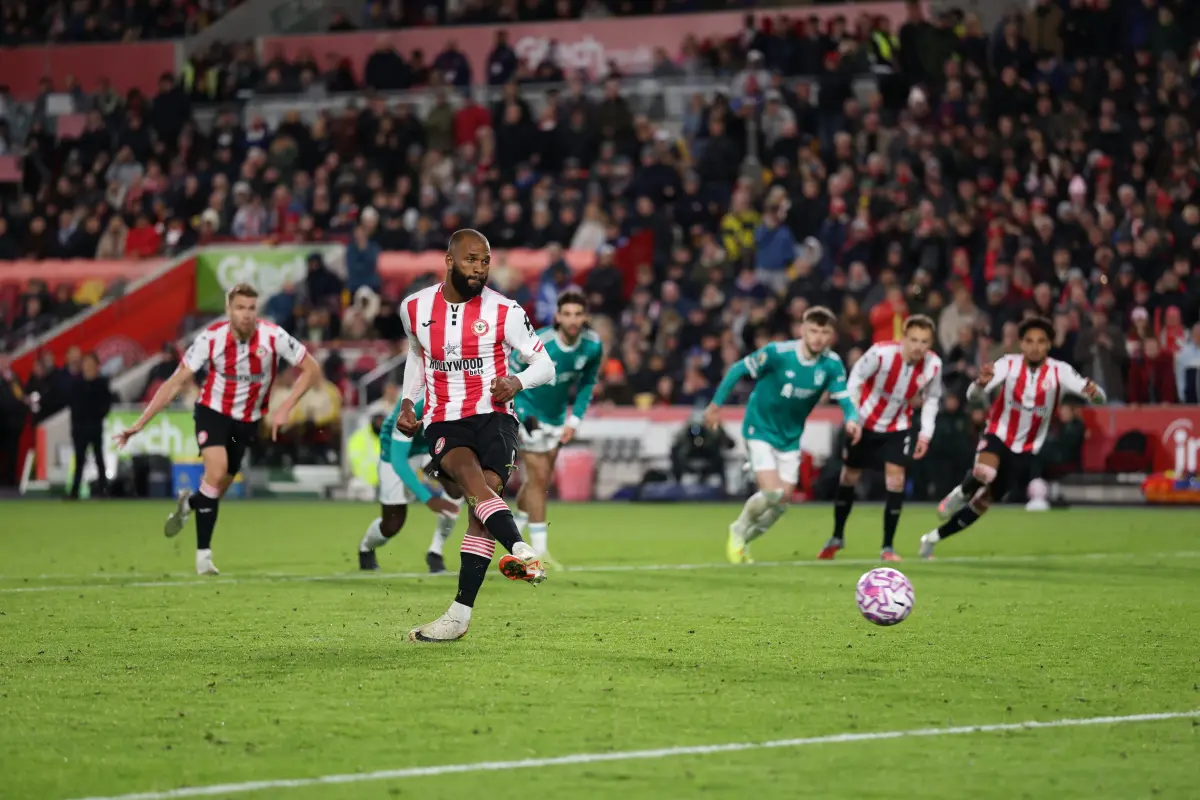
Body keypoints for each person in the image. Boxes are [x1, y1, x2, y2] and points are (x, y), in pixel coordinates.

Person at [397, 229, 556, 643]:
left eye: (485, 261)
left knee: (479, 514)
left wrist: (517, 382)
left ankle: (458, 616)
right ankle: (522, 550)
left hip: (496, 418)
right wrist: (408, 402)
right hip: (445, 419)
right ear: (450, 261)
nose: (479, 269)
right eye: (471, 260)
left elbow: (545, 365)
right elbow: (417, 355)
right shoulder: (414, 308)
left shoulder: (505, 310)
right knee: (472, 481)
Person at [114, 284, 321, 575]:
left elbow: (312, 369)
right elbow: (175, 382)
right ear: (229, 310)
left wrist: (286, 407)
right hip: (212, 412)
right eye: (240, 308)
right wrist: (139, 424)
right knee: (216, 472)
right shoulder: (211, 340)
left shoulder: (274, 336)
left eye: (251, 308)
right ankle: (203, 556)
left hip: (247, 420)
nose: (246, 315)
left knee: (218, 485)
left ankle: (190, 504)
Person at [921, 317, 1106, 558]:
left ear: (1049, 345)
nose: (1035, 347)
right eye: (1029, 341)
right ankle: (959, 494)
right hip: (998, 432)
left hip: (1027, 449)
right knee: (985, 472)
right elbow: (973, 396)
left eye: (1041, 341)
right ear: (1021, 343)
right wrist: (979, 384)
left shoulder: (1060, 371)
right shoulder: (1008, 364)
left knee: (983, 504)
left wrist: (1095, 393)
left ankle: (932, 538)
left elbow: (1098, 397)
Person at [705, 307, 861, 564]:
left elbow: (845, 400)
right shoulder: (777, 353)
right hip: (759, 428)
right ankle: (737, 528)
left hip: (789, 438)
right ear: (802, 330)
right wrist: (715, 405)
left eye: (824, 332)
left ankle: (743, 539)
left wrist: (852, 420)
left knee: (782, 503)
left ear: (831, 335)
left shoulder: (831, 364)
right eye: (813, 330)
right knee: (773, 494)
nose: (818, 337)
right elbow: (737, 370)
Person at [819, 315, 942, 562]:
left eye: (924, 341)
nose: (918, 346)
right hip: (864, 423)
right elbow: (854, 380)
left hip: (898, 426)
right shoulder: (881, 354)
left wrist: (925, 434)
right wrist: (851, 417)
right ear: (904, 338)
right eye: (914, 339)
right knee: (849, 477)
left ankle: (888, 547)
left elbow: (932, 398)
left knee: (896, 480)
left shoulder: (933, 365)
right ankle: (837, 536)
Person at [509, 290, 603, 567]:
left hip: (557, 418)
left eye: (578, 314)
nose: (573, 320)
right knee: (538, 481)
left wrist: (574, 421)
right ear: (557, 317)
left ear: (585, 316)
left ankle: (511, 532)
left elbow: (588, 384)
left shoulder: (593, 345)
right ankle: (538, 553)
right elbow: (510, 374)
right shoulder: (540, 341)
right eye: (567, 314)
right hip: (528, 412)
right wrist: (522, 414)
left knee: (539, 482)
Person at [358, 396, 462, 572]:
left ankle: (435, 552)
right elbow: (399, 462)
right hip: (395, 452)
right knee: (392, 524)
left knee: (455, 487)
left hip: (427, 448)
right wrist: (429, 499)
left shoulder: (459, 395)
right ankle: (366, 548)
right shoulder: (413, 404)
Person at [68, 352, 115, 499]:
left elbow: (107, 405)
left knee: (99, 458)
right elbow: (73, 406)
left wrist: (98, 415)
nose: (88, 367)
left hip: (95, 426)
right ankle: (74, 492)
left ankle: (103, 490)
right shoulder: (76, 385)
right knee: (79, 460)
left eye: (90, 363)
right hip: (79, 427)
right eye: (86, 363)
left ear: (96, 366)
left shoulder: (102, 384)